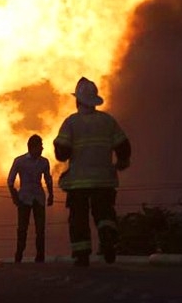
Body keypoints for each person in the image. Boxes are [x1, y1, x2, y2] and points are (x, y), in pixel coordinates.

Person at [53, 76, 130, 267]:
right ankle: (107, 237)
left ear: (77, 100)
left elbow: (62, 153)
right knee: (104, 212)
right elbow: (123, 146)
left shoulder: (71, 123)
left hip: (78, 182)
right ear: (94, 100)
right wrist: (122, 162)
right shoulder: (108, 121)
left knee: (79, 217)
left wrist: (61, 147)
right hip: (105, 179)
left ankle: (81, 254)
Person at [7, 134, 54, 263]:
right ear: (32, 147)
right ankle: (19, 255)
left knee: (40, 229)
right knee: (22, 228)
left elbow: (48, 179)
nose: (42, 149)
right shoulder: (19, 161)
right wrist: (14, 197)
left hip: (38, 197)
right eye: (40, 146)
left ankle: (40, 257)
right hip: (24, 198)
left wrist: (51, 194)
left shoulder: (44, 162)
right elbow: (10, 181)